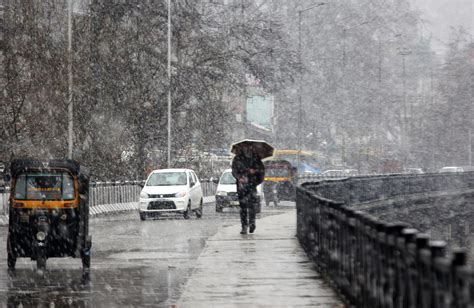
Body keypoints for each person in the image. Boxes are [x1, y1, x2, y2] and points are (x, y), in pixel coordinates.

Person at [231, 147, 265, 234]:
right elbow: (234, 171)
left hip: (252, 185)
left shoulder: (256, 158)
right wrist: (239, 177)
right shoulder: (238, 158)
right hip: (241, 186)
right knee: (243, 207)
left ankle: (251, 223)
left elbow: (261, 171)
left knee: (251, 205)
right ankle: (244, 226)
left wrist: (254, 172)